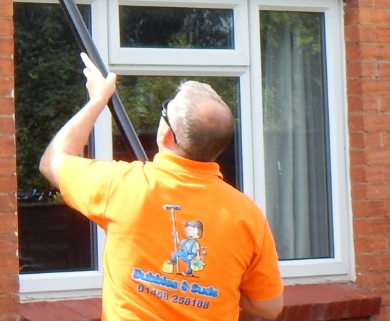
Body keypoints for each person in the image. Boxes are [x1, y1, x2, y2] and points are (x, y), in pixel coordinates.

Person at [40, 54, 285, 321]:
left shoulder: (121, 185)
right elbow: (269, 307)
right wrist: (221, 287)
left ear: (166, 135)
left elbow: (52, 162)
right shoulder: (247, 215)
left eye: (165, 110)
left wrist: (98, 100)